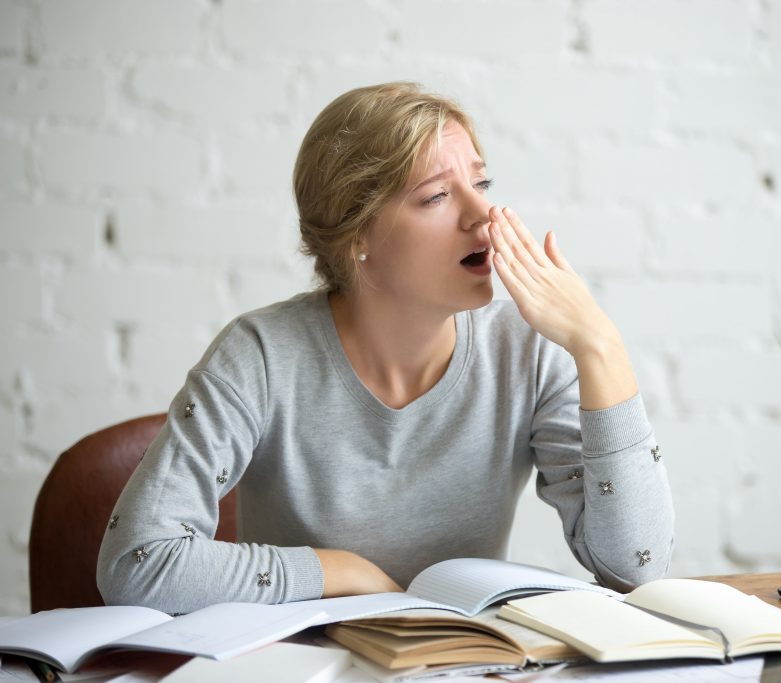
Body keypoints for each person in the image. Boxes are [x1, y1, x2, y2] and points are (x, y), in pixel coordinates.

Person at [97, 81, 674, 614]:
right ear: (357, 237)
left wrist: (600, 347)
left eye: (481, 183)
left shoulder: (528, 352)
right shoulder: (261, 355)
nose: (483, 216)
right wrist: (336, 571)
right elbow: (135, 562)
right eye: (436, 197)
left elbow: (634, 568)